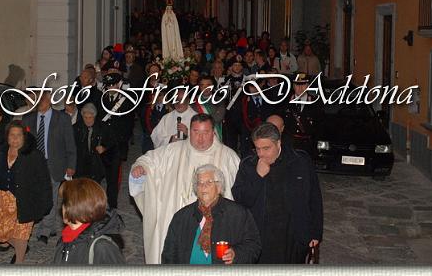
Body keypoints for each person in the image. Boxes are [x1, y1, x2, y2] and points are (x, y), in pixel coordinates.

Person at [129, 113, 240, 264]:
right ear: (189, 131)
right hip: (179, 222)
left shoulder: (228, 157)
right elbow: (149, 160)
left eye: (205, 132)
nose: (200, 138)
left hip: (215, 225)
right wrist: (141, 167)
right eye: (196, 132)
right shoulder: (172, 151)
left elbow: (241, 194)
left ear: (213, 132)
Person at [232, 122, 323, 264]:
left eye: (266, 148)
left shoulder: (300, 161)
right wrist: (257, 176)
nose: (261, 154)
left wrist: (315, 233)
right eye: (258, 148)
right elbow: (241, 200)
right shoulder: (248, 165)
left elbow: (314, 198)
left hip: (293, 235)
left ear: (278, 143)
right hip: (261, 236)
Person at [162, 164, 261, 264]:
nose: (203, 186)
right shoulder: (181, 217)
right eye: (200, 183)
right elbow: (169, 256)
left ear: (219, 187)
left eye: (209, 182)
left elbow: (254, 246)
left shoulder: (238, 214)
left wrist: (236, 254)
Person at [0, 121, 52, 264]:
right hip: (3, 199)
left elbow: (44, 181)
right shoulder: (0, 153)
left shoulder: (34, 155)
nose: (15, 138)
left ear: (24, 137)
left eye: (19, 135)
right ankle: (20, 248)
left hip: (25, 199)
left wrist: (46, 202)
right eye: (12, 135)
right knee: (4, 233)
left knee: (22, 234)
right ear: (7, 137)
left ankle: (19, 262)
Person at [22, 90, 76, 245]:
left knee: (51, 197)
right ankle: (48, 225)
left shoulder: (62, 118)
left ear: (49, 100)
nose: (40, 103)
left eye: (42, 100)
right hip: (35, 165)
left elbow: (70, 143)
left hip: (55, 164)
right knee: (36, 195)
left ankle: (44, 231)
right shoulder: (28, 119)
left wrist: (71, 165)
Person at [53, 178, 125, 264]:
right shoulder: (66, 238)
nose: (62, 207)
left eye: (65, 203)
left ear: (75, 207)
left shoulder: (102, 247)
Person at [73, 103, 120, 210]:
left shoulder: (102, 127)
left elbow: (113, 142)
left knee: (94, 190)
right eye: (85, 117)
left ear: (94, 116)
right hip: (82, 164)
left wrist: (104, 147)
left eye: (90, 117)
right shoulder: (76, 128)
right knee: (81, 190)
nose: (88, 120)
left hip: (96, 164)